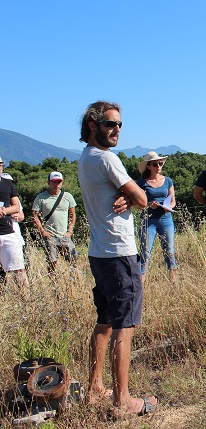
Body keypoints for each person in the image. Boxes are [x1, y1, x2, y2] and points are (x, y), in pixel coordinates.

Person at [77, 101, 157, 418]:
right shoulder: (107, 159)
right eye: (111, 124)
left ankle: (95, 388)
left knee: (106, 321)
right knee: (124, 325)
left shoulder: (85, 158)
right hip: (119, 253)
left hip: (99, 253)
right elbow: (142, 199)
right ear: (93, 126)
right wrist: (131, 193)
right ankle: (122, 402)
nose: (117, 130)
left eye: (120, 124)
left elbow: (128, 195)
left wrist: (125, 193)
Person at [136, 152, 177, 283]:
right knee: (145, 252)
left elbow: (173, 201)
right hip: (149, 220)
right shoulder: (142, 183)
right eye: (155, 164)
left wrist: (168, 206)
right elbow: (137, 203)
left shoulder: (168, 181)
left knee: (169, 250)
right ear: (148, 166)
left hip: (166, 219)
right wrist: (149, 205)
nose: (158, 166)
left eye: (160, 163)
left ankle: (173, 281)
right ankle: (141, 282)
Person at [31, 171, 78, 273]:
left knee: (72, 259)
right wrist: (43, 231)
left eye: (58, 182)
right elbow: (34, 216)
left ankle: (73, 280)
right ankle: (53, 281)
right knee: (52, 261)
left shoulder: (68, 196)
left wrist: (69, 231)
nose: (56, 184)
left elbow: (72, 214)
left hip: (64, 235)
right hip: (50, 235)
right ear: (49, 183)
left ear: (62, 183)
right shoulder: (41, 197)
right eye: (54, 182)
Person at [0, 157, 28, 290]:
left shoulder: (7, 184)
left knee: (19, 269)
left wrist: (4, 211)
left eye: (1, 164)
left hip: (7, 232)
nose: (0, 166)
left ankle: (28, 303)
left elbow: (17, 207)